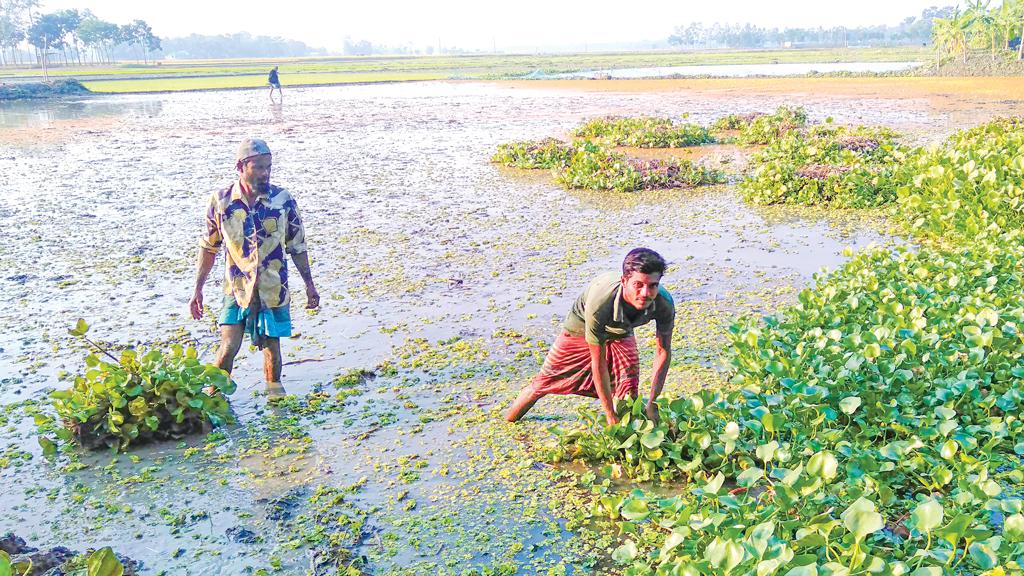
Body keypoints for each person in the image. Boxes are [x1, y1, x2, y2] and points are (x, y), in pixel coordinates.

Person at [189, 138, 319, 395]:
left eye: (268, 167)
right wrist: (198, 290)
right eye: (258, 167)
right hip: (237, 288)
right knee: (228, 348)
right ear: (241, 166)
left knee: (272, 349)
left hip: (273, 288)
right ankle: (211, 400)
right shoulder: (222, 201)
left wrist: (309, 286)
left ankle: (275, 402)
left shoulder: (282, 200)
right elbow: (209, 247)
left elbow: (297, 245)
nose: (265, 173)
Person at [505, 248, 675, 426]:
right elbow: (598, 362)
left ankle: (625, 439)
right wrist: (609, 413)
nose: (645, 293)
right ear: (624, 281)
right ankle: (509, 422)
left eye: (652, 285)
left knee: (628, 390)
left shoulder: (664, 303)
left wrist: (652, 402)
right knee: (544, 383)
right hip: (581, 327)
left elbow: (663, 352)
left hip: (621, 330)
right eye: (638, 285)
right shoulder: (601, 301)